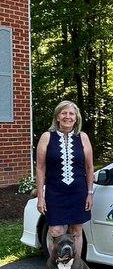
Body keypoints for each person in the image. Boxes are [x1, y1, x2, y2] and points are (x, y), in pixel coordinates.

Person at [36, 100, 94, 257]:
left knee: (76, 230)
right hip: (55, 192)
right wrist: (40, 197)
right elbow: (40, 168)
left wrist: (89, 193)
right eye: (64, 113)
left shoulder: (83, 137)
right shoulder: (47, 137)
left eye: (71, 113)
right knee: (55, 231)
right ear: (57, 117)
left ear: (76, 118)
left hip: (78, 192)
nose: (67, 116)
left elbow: (89, 168)